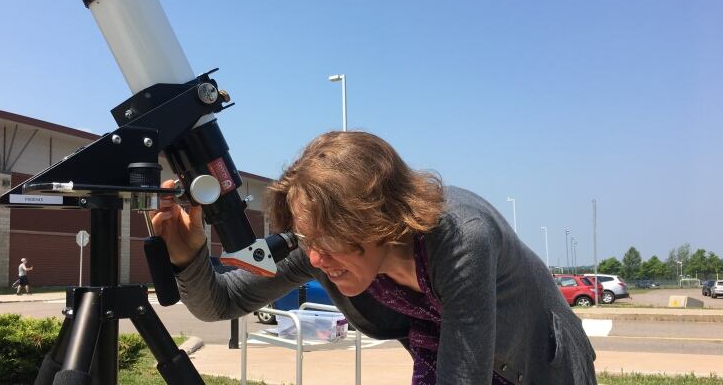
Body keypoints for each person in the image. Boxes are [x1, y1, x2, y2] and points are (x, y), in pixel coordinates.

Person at [153, 131, 597, 384]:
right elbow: (222, 301)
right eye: (307, 238)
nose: (316, 257)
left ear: (376, 220)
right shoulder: (314, 247)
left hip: (543, 369)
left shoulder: (462, 238)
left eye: (329, 240)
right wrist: (190, 258)